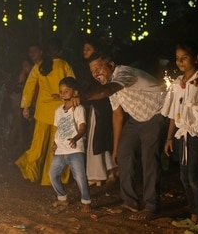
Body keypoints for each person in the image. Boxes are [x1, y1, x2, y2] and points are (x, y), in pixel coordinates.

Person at [78, 51, 167, 220]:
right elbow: (117, 114)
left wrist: (84, 96)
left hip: (156, 114)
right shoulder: (110, 83)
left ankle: (151, 207)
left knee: (150, 160)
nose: (96, 73)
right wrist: (116, 147)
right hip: (136, 118)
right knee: (124, 154)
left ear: (111, 65)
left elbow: (108, 90)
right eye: (92, 70)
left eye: (98, 68)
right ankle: (130, 202)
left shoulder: (125, 73)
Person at [162, 42, 198, 234]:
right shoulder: (178, 83)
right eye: (177, 58)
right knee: (184, 176)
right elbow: (173, 112)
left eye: (184, 57)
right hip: (182, 134)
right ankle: (193, 216)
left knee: (194, 177)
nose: (179, 61)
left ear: (196, 58)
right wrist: (169, 138)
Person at [16, 37, 75, 186]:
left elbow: (29, 87)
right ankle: (53, 178)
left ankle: (30, 173)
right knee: (58, 146)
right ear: (60, 51)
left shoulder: (39, 66)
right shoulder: (64, 65)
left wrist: (26, 107)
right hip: (61, 111)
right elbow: (73, 85)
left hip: (42, 112)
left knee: (37, 145)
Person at [49, 77, 91, 213]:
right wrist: (54, 144)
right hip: (61, 150)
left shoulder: (79, 109)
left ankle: (86, 201)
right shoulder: (58, 111)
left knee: (79, 176)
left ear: (75, 93)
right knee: (52, 174)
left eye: (67, 91)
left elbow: (83, 127)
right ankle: (62, 198)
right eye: (61, 91)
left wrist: (76, 137)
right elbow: (59, 130)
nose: (63, 94)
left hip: (75, 149)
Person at [78, 39, 117, 186]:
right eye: (83, 50)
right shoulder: (85, 69)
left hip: (104, 106)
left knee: (102, 136)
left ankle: (104, 172)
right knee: (98, 137)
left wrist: (85, 97)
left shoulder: (105, 68)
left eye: (88, 48)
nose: (85, 52)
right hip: (95, 107)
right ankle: (104, 171)